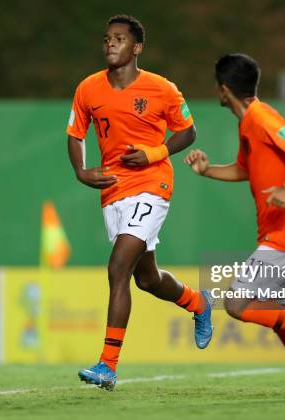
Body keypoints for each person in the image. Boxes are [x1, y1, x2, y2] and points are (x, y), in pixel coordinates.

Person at [66, 15, 213, 391]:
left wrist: (154, 153)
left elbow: (188, 131)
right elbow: (75, 134)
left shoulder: (161, 89)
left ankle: (107, 365)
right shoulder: (87, 89)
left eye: (119, 39)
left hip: (152, 183)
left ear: (137, 47)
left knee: (118, 267)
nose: (110, 44)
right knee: (145, 278)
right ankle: (199, 304)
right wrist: (81, 172)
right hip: (113, 191)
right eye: (106, 39)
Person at [185, 53, 285, 399]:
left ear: (224, 90)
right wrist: (207, 170)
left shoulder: (261, 116)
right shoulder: (248, 125)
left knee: (238, 305)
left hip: (283, 236)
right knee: (277, 318)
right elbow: (243, 170)